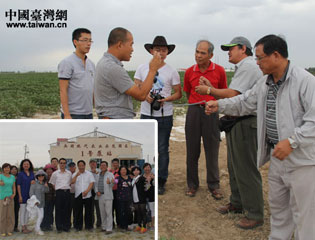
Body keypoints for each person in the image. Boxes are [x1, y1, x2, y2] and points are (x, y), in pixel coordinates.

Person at [205, 34, 315, 239]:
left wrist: (292, 142)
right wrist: (219, 104)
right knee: (279, 208)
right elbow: (245, 101)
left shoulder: (305, 82)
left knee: (304, 213)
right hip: (277, 155)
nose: (257, 63)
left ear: (276, 55)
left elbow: (313, 121)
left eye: (260, 58)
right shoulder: (264, 83)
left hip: (301, 160)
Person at [195, 36, 264, 229]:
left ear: (243, 49)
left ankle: (255, 213)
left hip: (246, 122)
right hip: (237, 122)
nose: (228, 52)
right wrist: (215, 91)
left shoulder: (249, 66)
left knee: (245, 168)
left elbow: (234, 94)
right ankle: (238, 202)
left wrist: (210, 91)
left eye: (231, 48)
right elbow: (236, 94)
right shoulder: (244, 67)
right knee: (235, 166)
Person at [134, 36, 182, 195]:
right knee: (146, 146)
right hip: (146, 114)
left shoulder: (172, 71)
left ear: (167, 52)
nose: (160, 52)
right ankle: (144, 178)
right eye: (157, 49)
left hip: (164, 115)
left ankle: (161, 180)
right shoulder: (142, 68)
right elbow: (136, 88)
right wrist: (145, 95)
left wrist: (166, 99)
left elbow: (178, 93)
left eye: (163, 50)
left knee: (162, 148)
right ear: (151, 51)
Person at [184, 40, 227, 199]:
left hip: (211, 111)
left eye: (202, 53)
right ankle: (192, 184)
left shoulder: (220, 71)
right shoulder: (189, 72)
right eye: (197, 52)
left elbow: (222, 92)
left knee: (212, 150)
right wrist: (197, 104)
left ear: (211, 55)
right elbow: (188, 93)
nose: (198, 55)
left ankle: (214, 185)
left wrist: (210, 102)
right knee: (192, 150)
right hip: (194, 111)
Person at [94, 27, 164, 119]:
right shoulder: (112, 67)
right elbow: (141, 95)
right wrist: (152, 70)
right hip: (116, 121)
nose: (132, 49)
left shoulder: (105, 63)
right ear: (119, 45)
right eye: (131, 45)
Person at [58, 28, 95, 119]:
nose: (88, 44)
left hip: (88, 113)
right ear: (75, 42)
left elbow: (93, 89)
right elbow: (63, 90)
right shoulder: (67, 63)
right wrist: (67, 115)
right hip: (73, 113)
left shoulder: (91, 64)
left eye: (90, 41)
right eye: (85, 40)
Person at [49, 158, 72, 233]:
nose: (62, 164)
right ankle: (59, 227)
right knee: (58, 210)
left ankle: (66, 226)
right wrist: (57, 189)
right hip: (59, 193)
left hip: (67, 192)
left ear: (66, 164)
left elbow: (71, 182)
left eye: (64, 163)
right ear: (59, 164)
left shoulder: (69, 173)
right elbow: (52, 183)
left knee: (67, 210)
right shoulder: (55, 173)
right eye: (61, 163)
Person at [71, 160, 95, 232]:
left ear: (84, 166)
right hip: (78, 195)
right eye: (79, 165)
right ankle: (78, 226)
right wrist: (76, 175)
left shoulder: (89, 174)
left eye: (82, 165)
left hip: (88, 195)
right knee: (78, 212)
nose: (81, 167)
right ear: (78, 166)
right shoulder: (75, 174)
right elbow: (72, 182)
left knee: (89, 211)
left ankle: (89, 226)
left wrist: (87, 191)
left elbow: (91, 183)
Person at [95, 161, 115, 234]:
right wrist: (97, 191)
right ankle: (103, 227)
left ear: (107, 166)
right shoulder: (98, 175)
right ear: (100, 166)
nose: (102, 166)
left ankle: (109, 228)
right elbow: (95, 185)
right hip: (100, 196)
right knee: (102, 212)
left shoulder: (110, 174)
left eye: (104, 165)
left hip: (108, 196)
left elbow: (113, 184)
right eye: (101, 165)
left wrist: (110, 183)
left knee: (108, 213)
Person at [17, 159, 35, 234]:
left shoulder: (32, 173)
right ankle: (23, 227)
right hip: (23, 195)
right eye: (24, 164)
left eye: (27, 164)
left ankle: (26, 225)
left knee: (28, 211)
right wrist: (20, 196)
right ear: (22, 165)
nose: (26, 165)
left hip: (30, 195)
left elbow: (34, 183)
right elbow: (18, 185)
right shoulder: (20, 174)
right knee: (23, 211)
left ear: (30, 165)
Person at [29, 170, 49, 235]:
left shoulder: (44, 184)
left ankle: (36, 228)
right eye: (39, 176)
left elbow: (47, 191)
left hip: (42, 203)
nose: (41, 177)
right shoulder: (34, 183)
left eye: (42, 175)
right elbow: (31, 193)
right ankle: (37, 229)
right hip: (36, 203)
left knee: (41, 216)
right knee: (39, 216)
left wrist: (46, 186)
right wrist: (35, 201)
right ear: (37, 177)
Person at [0, 163, 16, 237]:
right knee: (3, 215)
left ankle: (9, 230)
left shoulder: (12, 177)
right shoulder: (0, 176)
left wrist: (14, 194)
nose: (7, 169)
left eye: (8, 168)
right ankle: (2, 230)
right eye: (5, 168)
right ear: (3, 169)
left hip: (10, 197)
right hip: (2, 197)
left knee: (10, 214)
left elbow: (13, 186)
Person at [115, 166, 132, 231]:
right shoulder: (118, 178)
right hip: (120, 198)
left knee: (128, 212)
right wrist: (112, 181)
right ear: (120, 171)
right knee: (121, 212)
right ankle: (122, 226)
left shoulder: (130, 178)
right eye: (122, 170)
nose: (123, 171)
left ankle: (127, 225)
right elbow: (115, 182)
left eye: (124, 169)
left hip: (128, 198)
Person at [131, 166, 147, 234]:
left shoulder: (142, 178)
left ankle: (144, 227)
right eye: (134, 170)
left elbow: (147, 186)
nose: (136, 171)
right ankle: (139, 225)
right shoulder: (133, 179)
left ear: (139, 171)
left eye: (137, 170)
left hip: (141, 198)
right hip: (135, 198)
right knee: (138, 213)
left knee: (143, 213)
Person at [40, 164, 56, 231]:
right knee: (44, 212)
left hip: (52, 198)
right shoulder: (43, 178)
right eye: (47, 169)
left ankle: (50, 224)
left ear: (53, 171)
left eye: (50, 169)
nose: (49, 171)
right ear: (45, 171)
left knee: (50, 211)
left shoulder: (55, 178)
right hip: (44, 198)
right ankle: (43, 225)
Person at [89, 159, 101, 228]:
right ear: (89, 164)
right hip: (90, 192)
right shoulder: (87, 172)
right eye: (91, 163)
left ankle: (99, 223)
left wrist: (96, 173)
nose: (93, 164)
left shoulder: (100, 171)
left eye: (94, 163)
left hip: (98, 192)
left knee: (98, 209)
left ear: (96, 164)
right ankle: (91, 223)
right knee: (91, 209)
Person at [143, 163, 155, 228]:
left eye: (148, 167)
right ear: (143, 168)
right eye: (145, 167)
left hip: (151, 196)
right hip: (144, 196)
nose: (147, 168)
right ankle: (147, 224)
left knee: (152, 210)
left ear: (150, 168)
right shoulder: (142, 177)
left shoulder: (153, 176)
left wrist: (151, 180)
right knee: (146, 210)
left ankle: (152, 225)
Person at [110, 158, 120, 228]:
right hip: (111, 191)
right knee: (111, 208)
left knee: (118, 208)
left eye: (116, 163)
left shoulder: (121, 171)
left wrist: (114, 181)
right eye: (114, 163)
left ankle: (119, 223)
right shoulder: (110, 171)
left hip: (118, 191)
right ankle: (112, 224)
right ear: (112, 164)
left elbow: (119, 180)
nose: (115, 164)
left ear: (118, 164)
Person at [9, 165, 19, 232]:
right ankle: (8, 226)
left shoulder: (18, 177)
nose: (14, 170)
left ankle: (15, 226)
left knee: (16, 212)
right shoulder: (7, 177)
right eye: (12, 169)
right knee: (8, 212)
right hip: (9, 196)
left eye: (15, 169)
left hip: (17, 197)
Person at [68, 162, 77, 228]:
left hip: (76, 194)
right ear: (69, 167)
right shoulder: (67, 174)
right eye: (70, 167)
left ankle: (76, 224)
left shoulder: (78, 174)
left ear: (75, 167)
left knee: (76, 211)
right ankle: (68, 224)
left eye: (73, 166)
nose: (72, 168)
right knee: (68, 210)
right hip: (68, 194)